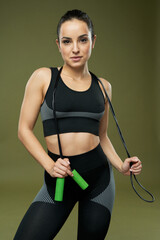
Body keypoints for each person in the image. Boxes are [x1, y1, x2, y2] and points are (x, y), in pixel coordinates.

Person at [13, 9, 142, 240]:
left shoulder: (104, 87)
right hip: (60, 180)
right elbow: (23, 130)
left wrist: (121, 165)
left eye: (83, 40)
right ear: (58, 44)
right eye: (67, 41)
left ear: (93, 41)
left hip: (98, 181)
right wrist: (50, 166)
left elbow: (102, 136)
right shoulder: (43, 78)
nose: (75, 48)